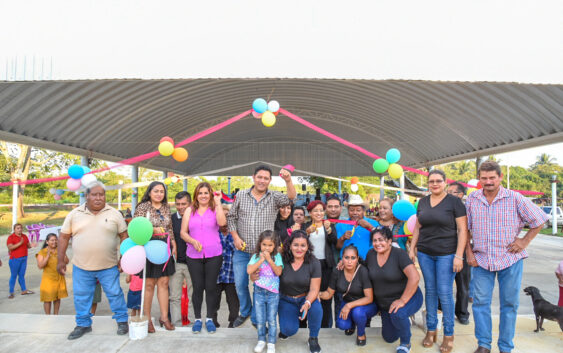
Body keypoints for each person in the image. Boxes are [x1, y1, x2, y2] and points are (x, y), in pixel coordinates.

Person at [464, 160, 548, 353]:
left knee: (509, 304)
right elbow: (465, 230)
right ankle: (484, 345)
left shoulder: (515, 198)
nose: (488, 181)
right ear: (479, 179)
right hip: (481, 260)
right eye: (484, 178)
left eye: (492, 177)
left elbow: (539, 219)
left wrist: (524, 242)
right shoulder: (472, 199)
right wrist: (468, 253)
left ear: (500, 177)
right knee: (480, 304)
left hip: (509, 260)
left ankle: (505, 347)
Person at [57, 181, 129, 340]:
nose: (98, 198)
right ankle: (83, 324)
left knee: (115, 293)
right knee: (81, 296)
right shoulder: (74, 214)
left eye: (101, 194)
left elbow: (124, 236)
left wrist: (123, 258)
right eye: (94, 195)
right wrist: (60, 260)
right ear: (87, 196)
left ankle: (122, 321)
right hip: (81, 266)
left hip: (108, 266)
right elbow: (63, 237)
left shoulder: (114, 213)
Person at [227, 165, 295, 328]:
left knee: (261, 285)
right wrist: (235, 237)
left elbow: (291, 198)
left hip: (266, 253)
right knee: (240, 284)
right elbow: (231, 217)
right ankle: (245, 311)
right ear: (253, 177)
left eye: (266, 178)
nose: (262, 180)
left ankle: (257, 318)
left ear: (270, 181)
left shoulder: (275, 197)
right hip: (243, 250)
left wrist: (288, 180)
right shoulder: (241, 195)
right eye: (260, 177)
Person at [409, 170, 467, 353]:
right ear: (428, 183)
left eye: (438, 181)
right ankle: (431, 330)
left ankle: (448, 335)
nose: (435, 184)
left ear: (445, 183)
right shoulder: (423, 202)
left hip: (447, 254)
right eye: (431, 181)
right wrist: (412, 248)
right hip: (425, 254)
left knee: (445, 292)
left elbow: (463, 230)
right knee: (431, 291)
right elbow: (418, 227)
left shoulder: (454, 202)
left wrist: (459, 255)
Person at [366, 227, 423, 353]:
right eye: (374, 240)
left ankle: (405, 343)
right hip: (386, 304)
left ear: (390, 241)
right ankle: (402, 321)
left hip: (409, 297)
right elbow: (363, 272)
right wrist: (344, 262)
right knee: (389, 338)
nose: (377, 243)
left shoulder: (399, 254)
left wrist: (402, 300)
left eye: (381, 240)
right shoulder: (370, 254)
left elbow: (415, 278)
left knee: (398, 313)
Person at [180, 182, 226, 334]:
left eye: (206, 193)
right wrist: (193, 241)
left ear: (210, 194)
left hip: (214, 254)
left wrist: (218, 203)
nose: (203, 196)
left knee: (211, 288)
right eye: (200, 193)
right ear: (196, 195)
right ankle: (198, 319)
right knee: (198, 288)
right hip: (194, 255)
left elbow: (222, 223)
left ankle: (210, 319)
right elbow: (183, 233)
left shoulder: (215, 209)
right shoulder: (189, 210)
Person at [133, 181, 176, 332]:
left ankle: (164, 317)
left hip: (164, 247)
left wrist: (174, 245)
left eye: (161, 191)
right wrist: (152, 229)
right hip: (149, 247)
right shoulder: (143, 207)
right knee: (149, 284)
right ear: (150, 192)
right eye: (156, 191)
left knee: (164, 283)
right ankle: (147, 318)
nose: (159, 194)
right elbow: (136, 227)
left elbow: (170, 228)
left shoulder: (166, 207)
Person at [319, 245, 375, 346]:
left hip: (365, 304)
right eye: (346, 258)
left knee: (357, 313)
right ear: (342, 258)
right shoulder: (337, 271)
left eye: (353, 258)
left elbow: (369, 298)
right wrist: (317, 294)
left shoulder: (362, 271)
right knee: (342, 324)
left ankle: (361, 334)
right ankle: (352, 324)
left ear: (357, 259)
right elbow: (329, 293)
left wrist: (349, 306)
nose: (349, 261)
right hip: (348, 302)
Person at [277, 230, 322, 353]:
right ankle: (286, 326)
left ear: (308, 247)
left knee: (317, 308)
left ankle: (313, 337)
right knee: (288, 330)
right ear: (290, 245)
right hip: (286, 299)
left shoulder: (314, 262)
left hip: (305, 298)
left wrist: (307, 303)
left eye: (303, 245)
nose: (299, 248)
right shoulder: (282, 260)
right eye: (296, 245)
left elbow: (314, 288)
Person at [247, 230, 283, 353]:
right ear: (260, 244)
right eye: (264, 245)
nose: (267, 248)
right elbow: (249, 270)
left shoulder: (277, 256)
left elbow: (278, 272)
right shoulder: (256, 256)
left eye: (270, 245)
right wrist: (261, 260)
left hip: (273, 293)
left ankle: (271, 342)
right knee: (260, 319)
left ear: (275, 246)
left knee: (272, 319)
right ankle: (261, 340)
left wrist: (269, 259)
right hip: (259, 292)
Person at [303, 200, 337, 328]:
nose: (319, 213)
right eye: (315, 210)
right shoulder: (305, 226)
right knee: (308, 295)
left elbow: (334, 241)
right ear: (310, 213)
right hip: (308, 265)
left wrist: (328, 230)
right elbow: (297, 241)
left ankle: (325, 327)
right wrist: (306, 232)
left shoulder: (329, 225)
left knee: (324, 297)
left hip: (325, 265)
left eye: (321, 210)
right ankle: (304, 325)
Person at [447, 182, 471, 325]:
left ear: (460, 195)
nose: (448, 195)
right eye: (447, 192)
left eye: (452, 192)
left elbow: (469, 232)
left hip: (463, 252)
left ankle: (462, 313)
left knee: (463, 285)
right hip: (444, 251)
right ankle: (441, 310)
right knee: (442, 285)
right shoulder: (442, 208)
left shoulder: (468, 210)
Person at [169, 191, 192, 326]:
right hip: (176, 263)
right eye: (178, 204)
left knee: (193, 295)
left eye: (184, 204)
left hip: (192, 263)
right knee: (175, 296)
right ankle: (176, 323)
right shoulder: (171, 220)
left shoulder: (195, 217)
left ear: (190, 203)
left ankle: (194, 322)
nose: (180, 207)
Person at [335, 194, 379, 260]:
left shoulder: (373, 223)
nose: (355, 213)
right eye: (352, 210)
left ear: (363, 211)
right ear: (348, 211)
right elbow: (338, 247)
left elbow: (381, 238)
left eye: (358, 210)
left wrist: (369, 226)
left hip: (368, 262)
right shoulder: (341, 225)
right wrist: (343, 238)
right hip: (347, 263)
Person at [214, 219, 239, 328]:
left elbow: (236, 248)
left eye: (227, 218)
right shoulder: (214, 234)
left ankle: (233, 321)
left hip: (231, 274)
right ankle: (213, 320)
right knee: (214, 300)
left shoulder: (235, 235)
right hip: (216, 274)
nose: (225, 223)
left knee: (233, 301)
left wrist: (231, 234)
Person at [36, 233, 68, 315]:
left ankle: (56, 315)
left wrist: (62, 252)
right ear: (47, 242)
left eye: (56, 240)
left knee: (57, 298)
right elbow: (40, 266)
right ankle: (48, 316)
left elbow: (67, 261)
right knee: (47, 299)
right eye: (52, 240)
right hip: (48, 279)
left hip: (59, 277)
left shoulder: (59, 250)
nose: (54, 242)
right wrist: (47, 256)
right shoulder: (42, 252)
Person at [7, 223, 35, 298]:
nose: (20, 229)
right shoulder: (11, 237)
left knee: (22, 275)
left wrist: (31, 245)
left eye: (20, 228)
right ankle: (11, 292)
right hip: (15, 259)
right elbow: (10, 247)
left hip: (24, 258)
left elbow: (28, 246)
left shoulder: (24, 236)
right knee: (14, 275)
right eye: (18, 228)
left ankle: (24, 290)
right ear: (14, 229)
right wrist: (20, 243)